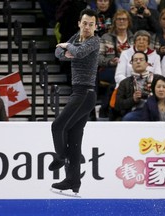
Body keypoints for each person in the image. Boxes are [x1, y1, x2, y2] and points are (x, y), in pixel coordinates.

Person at [49, 9, 100, 194]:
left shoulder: (95, 41)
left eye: (91, 24)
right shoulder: (76, 38)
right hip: (78, 92)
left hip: (85, 93)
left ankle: (61, 156)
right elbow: (57, 52)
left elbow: (78, 53)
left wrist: (67, 48)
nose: (87, 27)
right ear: (79, 23)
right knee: (74, 138)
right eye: (85, 23)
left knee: (57, 126)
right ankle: (73, 181)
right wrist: (66, 51)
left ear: (95, 26)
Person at [97, 9, 134, 118]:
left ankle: (112, 108)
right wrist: (109, 61)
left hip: (129, 70)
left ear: (128, 21)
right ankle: (112, 108)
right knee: (119, 79)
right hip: (109, 69)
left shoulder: (134, 38)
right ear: (114, 21)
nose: (121, 21)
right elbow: (98, 58)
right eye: (119, 19)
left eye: (124, 19)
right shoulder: (105, 37)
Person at [114, 51, 161, 121]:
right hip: (135, 111)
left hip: (157, 109)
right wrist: (133, 99)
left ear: (147, 64)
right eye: (135, 60)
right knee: (128, 118)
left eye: (141, 60)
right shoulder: (124, 83)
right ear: (132, 64)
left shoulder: (158, 79)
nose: (138, 62)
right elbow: (118, 105)